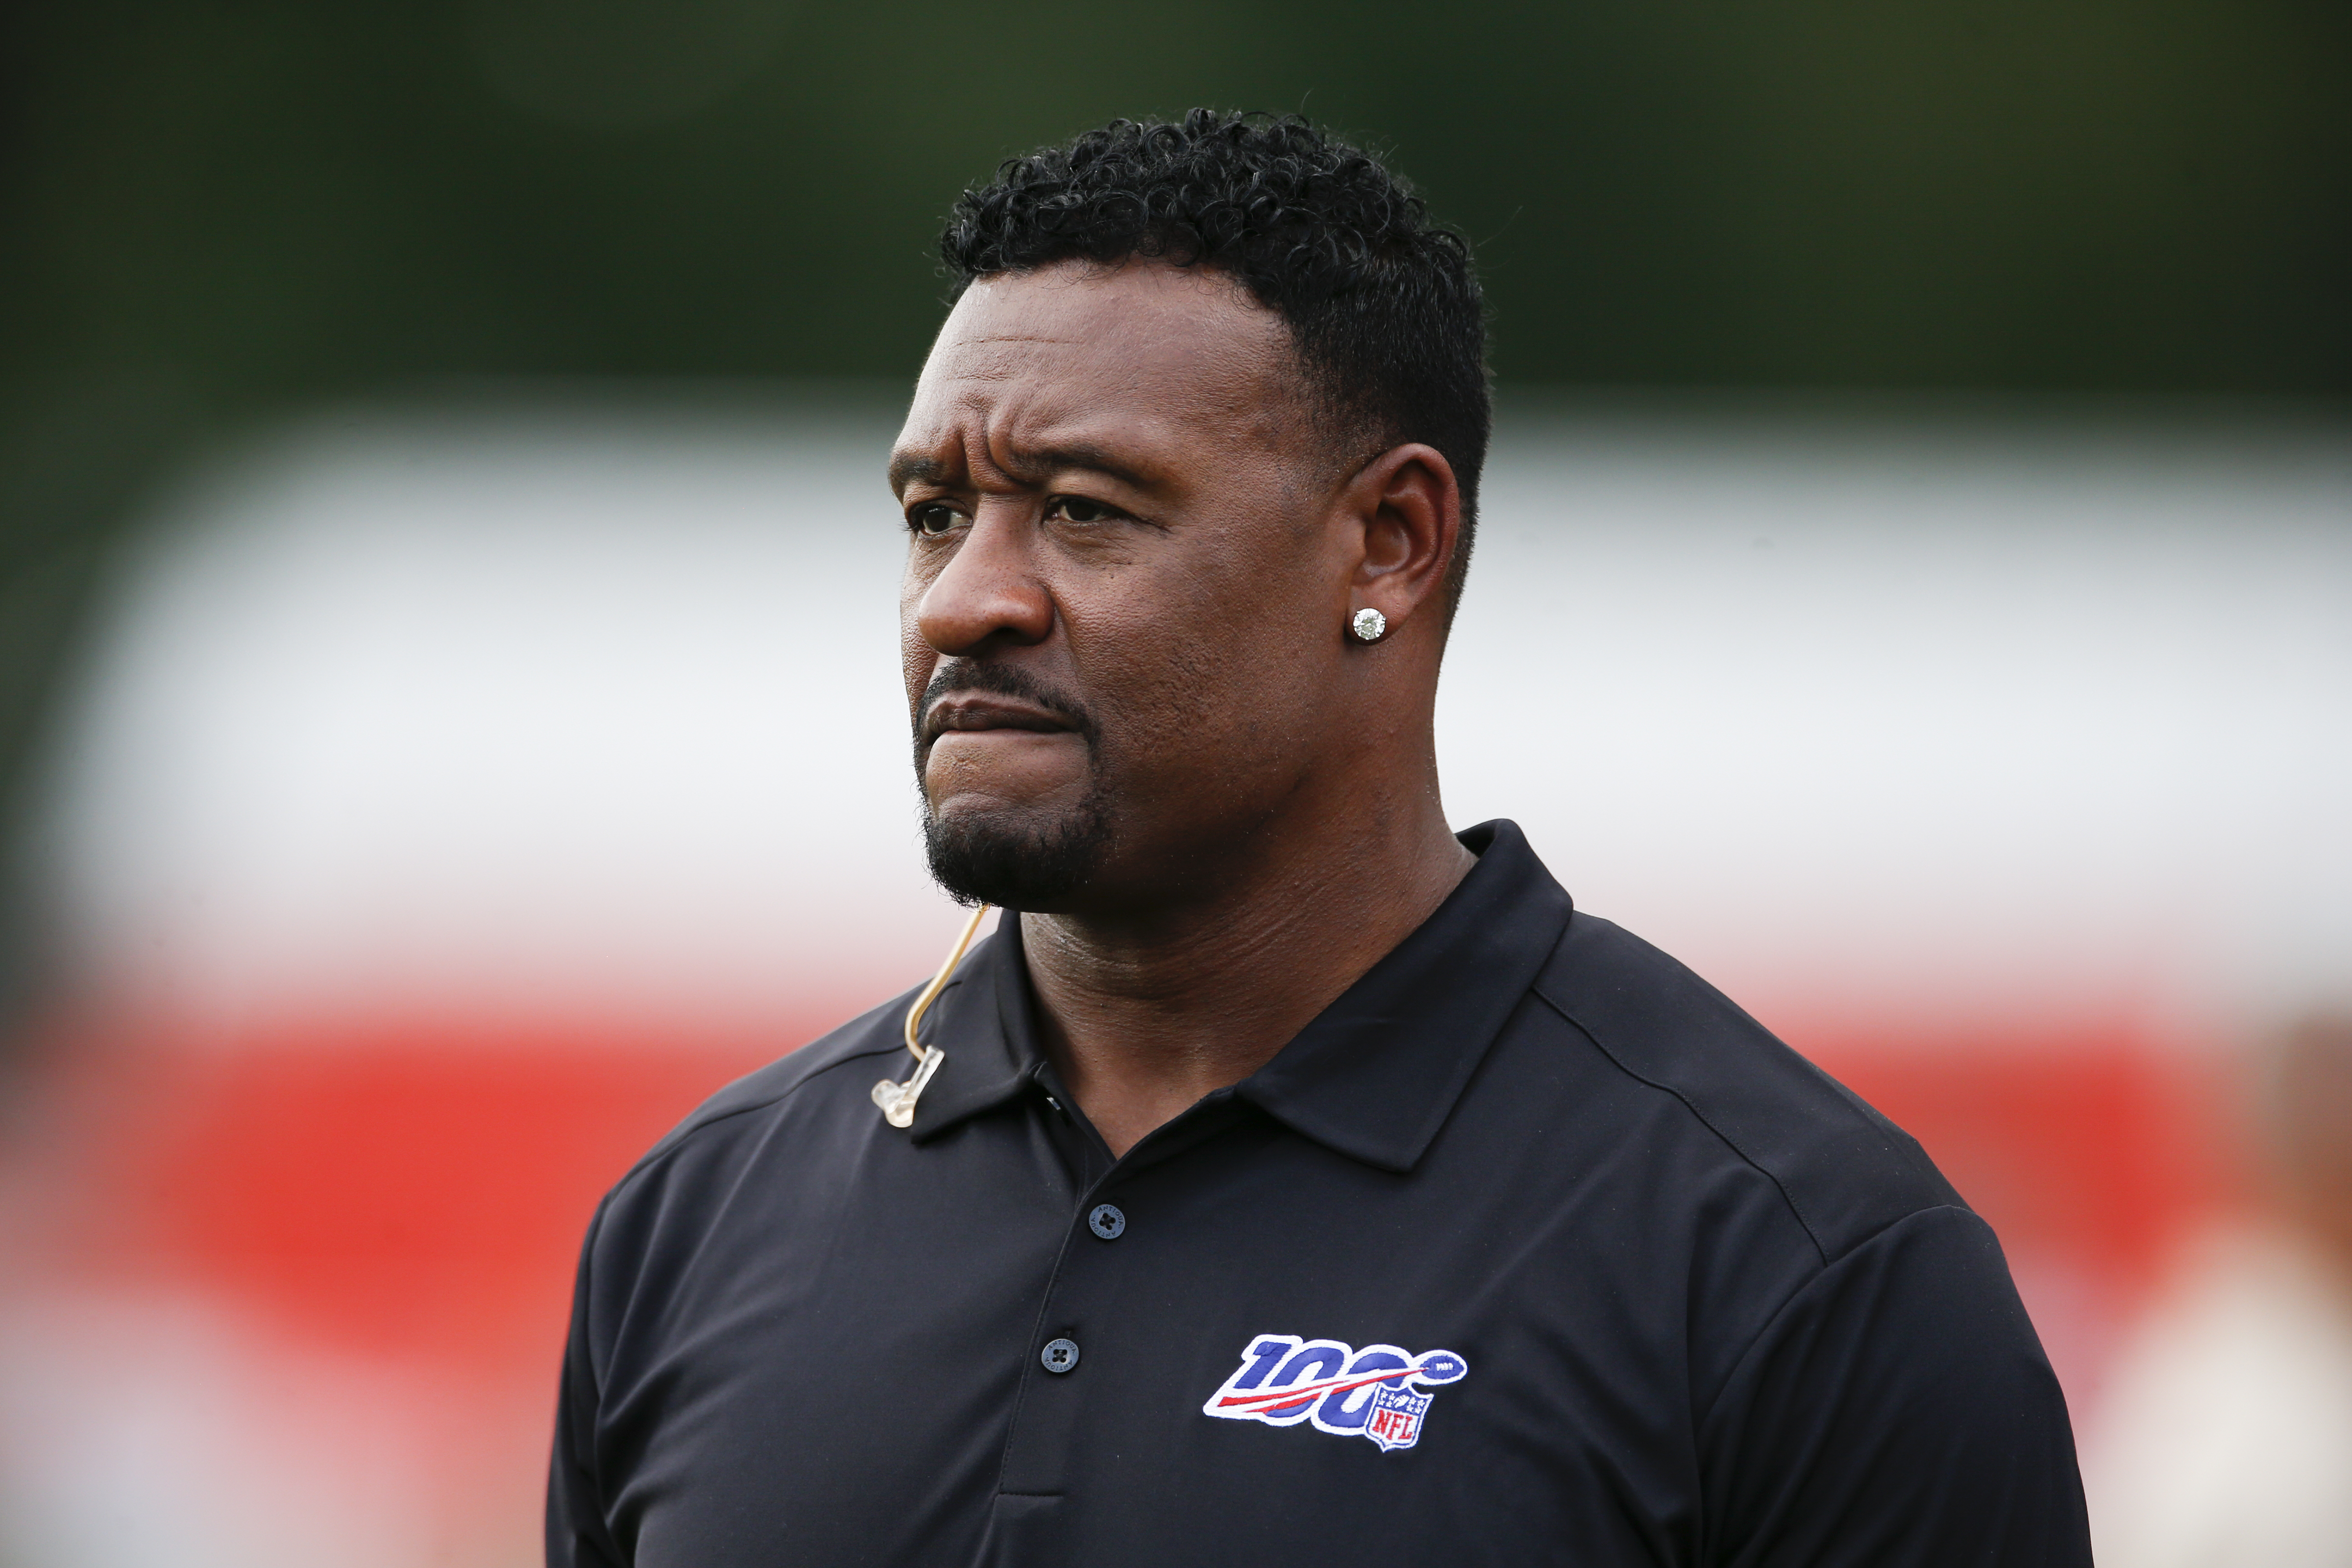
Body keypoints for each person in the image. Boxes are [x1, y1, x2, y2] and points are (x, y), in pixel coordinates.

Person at [547, 109, 2089, 1566]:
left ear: (1390, 543)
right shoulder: (698, 1222)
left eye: (1083, 509)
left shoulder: (1793, 1265)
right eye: (935, 514)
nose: (966, 600)